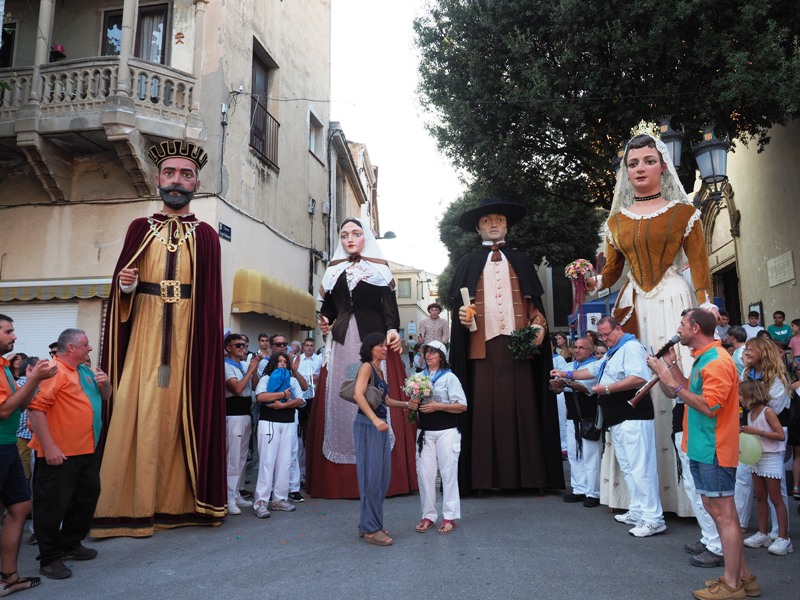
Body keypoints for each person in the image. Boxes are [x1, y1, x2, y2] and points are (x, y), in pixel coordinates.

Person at [92, 140, 226, 538]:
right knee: (140, 412)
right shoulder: (139, 228)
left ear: (196, 183)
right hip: (145, 339)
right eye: (170, 173)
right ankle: (127, 506)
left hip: (188, 343)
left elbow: (210, 300)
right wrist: (127, 288)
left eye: (186, 175)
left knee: (175, 419)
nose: (177, 181)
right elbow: (119, 292)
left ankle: (178, 504)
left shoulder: (206, 235)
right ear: (157, 179)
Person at [583, 133, 715, 517]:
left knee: (674, 382)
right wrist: (591, 281)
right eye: (633, 163)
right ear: (626, 171)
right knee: (635, 385)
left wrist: (705, 311)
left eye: (648, 161)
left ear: (663, 166)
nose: (640, 168)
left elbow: (701, 267)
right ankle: (640, 498)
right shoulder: (616, 220)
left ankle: (688, 499)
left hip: (673, 300)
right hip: (633, 305)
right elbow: (611, 272)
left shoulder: (684, 214)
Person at [449, 197, 563, 493]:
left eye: (499, 220)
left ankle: (531, 478)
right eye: (487, 221)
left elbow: (533, 303)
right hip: (481, 350)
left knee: (524, 411)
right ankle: (482, 481)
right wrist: (462, 316)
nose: (494, 225)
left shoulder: (522, 261)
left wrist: (539, 324)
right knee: (482, 413)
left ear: (507, 225)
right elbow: (458, 308)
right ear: (478, 229)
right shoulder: (467, 263)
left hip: (519, 350)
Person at [647, 308, 757, 600]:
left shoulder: (718, 362)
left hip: (715, 448)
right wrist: (670, 369)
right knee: (719, 512)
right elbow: (684, 391)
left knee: (724, 515)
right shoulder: (704, 358)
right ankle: (744, 578)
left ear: (695, 327)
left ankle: (732, 585)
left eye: (682, 324)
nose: (678, 329)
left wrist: (670, 380)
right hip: (703, 446)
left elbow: (709, 406)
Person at [305, 218, 417, 499]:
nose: (350, 239)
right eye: (344, 235)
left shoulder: (379, 270)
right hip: (342, 341)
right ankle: (339, 479)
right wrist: (325, 319)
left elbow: (389, 307)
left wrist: (392, 329)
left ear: (366, 237)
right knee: (341, 398)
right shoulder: (334, 272)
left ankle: (387, 477)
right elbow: (329, 306)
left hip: (373, 339)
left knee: (378, 394)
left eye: (356, 233)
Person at [552, 317, 665, 537]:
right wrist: (564, 373)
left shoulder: (631, 347)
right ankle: (639, 510)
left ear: (618, 329)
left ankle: (653, 517)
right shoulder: (614, 351)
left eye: (607, 334)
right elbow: (593, 369)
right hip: (618, 418)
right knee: (630, 468)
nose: (604, 338)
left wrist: (609, 389)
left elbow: (638, 378)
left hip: (633, 416)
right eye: (601, 336)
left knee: (641, 469)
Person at [29, 329, 111, 580]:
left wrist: (105, 383)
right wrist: (50, 447)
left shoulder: (85, 371)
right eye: (85, 344)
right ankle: (50, 558)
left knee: (86, 497)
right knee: (52, 506)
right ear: (71, 348)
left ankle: (71, 543)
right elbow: (35, 410)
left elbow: (105, 397)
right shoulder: (53, 371)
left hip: (86, 449)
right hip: (60, 453)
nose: (89, 348)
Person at [0, 315, 56, 593]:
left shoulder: (6, 368)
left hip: (8, 444)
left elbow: (19, 407)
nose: (14, 336)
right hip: (1, 445)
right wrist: (35, 377)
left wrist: (34, 382)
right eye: (9, 331)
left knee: (21, 506)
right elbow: (5, 410)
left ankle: (8, 577)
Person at [352, 333, 411, 546]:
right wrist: (375, 420)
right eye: (380, 345)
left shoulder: (379, 370)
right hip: (368, 427)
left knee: (381, 478)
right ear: (370, 348)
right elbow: (358, 394)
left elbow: (384, 399)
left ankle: (368, 523)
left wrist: (405, 405)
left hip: (379, 427)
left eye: (385, 345)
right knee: (371, 478)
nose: (385, 348)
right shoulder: (366, 367)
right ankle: (370, 530)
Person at [737, 337, 792, 550]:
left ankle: (780, 533)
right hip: (753, 435)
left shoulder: (777, 378)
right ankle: (763, 531)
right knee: (759, 490)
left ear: (764, 352)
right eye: (746, 348)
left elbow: (774, 410)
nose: (747, 352)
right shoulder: (746, 372)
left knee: (777, 490)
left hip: (770, 433)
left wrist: (754, 402)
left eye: (751, 349)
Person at [410, 341, 467, 535]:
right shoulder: (418, 377)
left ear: (441, 356)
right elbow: (414, 403)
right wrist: (413, 403)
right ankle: (428, 516)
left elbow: (462, 406)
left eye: (433, 352)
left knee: (448, 473)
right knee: (425, 475)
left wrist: (438, 406)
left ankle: (449, 517)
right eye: (427, 352)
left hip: (447, 431)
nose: (428, 355)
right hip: (425, 431)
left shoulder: (450, 378)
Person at [252, 352, 305, 518]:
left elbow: (301, 400)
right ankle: (261, 502)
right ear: (274, 363)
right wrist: (282, 395)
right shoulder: (266, 378)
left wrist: (284, 405)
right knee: (268, 462)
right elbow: (260, 396)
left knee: (285, 463)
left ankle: (279, 499)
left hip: (288, 423)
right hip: (269, 422)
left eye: (285, 361)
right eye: (279, 361)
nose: (282, 364)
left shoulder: (292, 379)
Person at [550, 337, 601, 507]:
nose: (577, 350)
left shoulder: (595, 366)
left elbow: (587, 388)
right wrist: (556, 385)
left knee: (590, 455)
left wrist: (566, 382)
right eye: (575, 347)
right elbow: (558, 389)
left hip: (590, 416)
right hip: (572, 416)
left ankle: (593, 492)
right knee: (574, 453)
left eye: (582, 347)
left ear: (591, 350)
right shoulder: (569, 366)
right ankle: (579, 488)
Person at [223, 334, 259, 515]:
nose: (243, 348)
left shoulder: (244, 365)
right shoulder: (226, 366)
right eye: (238, 345)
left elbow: (255, 385)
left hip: (246, 413)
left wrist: (254, 368)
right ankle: (228, 498)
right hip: (233, 414)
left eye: (245, 345)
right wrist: (250, 370)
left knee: (242, 458)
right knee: (233, 458)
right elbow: (236, 389)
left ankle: (236, 493)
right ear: (228, 347)